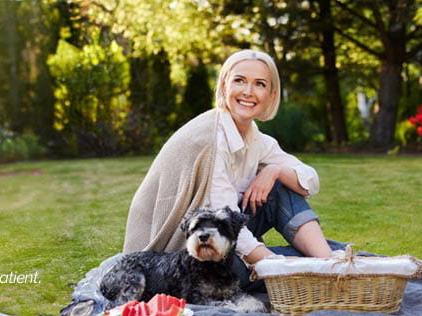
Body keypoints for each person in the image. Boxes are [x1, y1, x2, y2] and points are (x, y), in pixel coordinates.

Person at [123, 49, 341, 291]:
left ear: (271, 94)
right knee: (247, 272)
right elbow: (222, 221)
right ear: (224, 85)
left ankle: (329, 264)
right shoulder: (210, 140)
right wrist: (277, 266)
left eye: (259, 84)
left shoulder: (255, 137)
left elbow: (310, 180)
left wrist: (275, 171)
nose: (248, 92)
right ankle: (317, 266)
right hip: (179, 257)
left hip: (224, 240)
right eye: (239, 80)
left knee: (281, 187)